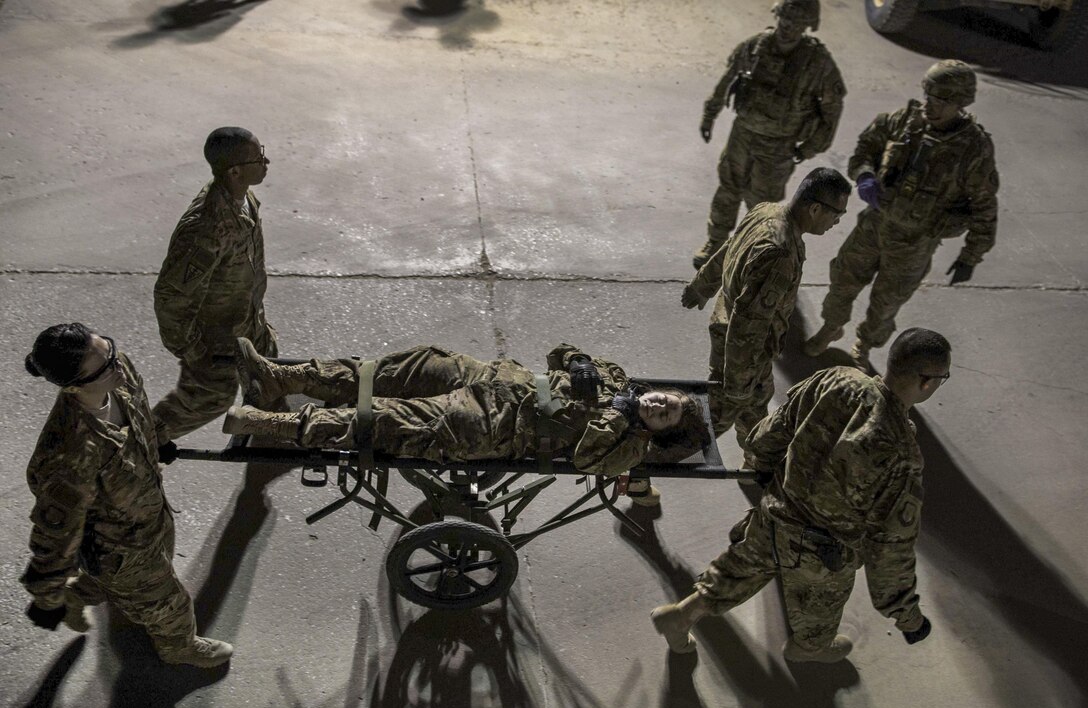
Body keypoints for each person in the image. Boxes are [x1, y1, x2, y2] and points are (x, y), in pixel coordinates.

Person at [650, 327, 948, 662]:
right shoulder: (902, 457)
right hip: (820, 554)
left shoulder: (836, 380)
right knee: (818, 609)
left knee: (741, 568)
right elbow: (891, 549)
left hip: (775, 513)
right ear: (927, 382)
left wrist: (761, 467)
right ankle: (809, 648)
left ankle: (681, 615)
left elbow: (773, 430)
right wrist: (906, 616)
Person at [20, 323, 232, 667]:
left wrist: (159, 438)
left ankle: (80, 594)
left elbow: (142, 413)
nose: (118, 364)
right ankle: (180, 646)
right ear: (74, 386)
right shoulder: (69, 454)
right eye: (104, 366)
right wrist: (46, 599)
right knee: (169, 603)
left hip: (150, 510)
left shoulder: (120, 375)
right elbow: (55, 536)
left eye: (109, 349)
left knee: (136, 573)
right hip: (118, 548)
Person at [221, 339, 711, 482]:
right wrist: (578, 360)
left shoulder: (628, 446)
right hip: (495, 378)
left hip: (493, 424)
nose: (658, 402)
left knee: (390, 419)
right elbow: (559, 354)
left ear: (657, 432)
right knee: (411, 365)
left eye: (664, 413)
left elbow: (587, 459)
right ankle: (282, 378)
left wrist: (622, 416)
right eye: (666, 398)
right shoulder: (621, 380)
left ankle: (275, 424)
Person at [804, 60, 999, 369]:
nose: (931, 106)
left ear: (961, 103)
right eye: (928, 95)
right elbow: (866, 146)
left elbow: (985, 206)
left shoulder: (974, 149)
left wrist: (970, 256)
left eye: (943, 100)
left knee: (885, 305)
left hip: (915, 242)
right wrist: (865, 174)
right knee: (843, 280)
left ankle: (864, 344)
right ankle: (831, 327)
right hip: (874, 226)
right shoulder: (905, 122)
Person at [681, 167, 851, 459]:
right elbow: (749, 322)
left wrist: (702, 285)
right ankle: (652, 458)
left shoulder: (766, 211)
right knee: (719, 413)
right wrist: (737, 382)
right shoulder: (780, 252)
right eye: (838, 214)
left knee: (757, 401)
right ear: (814, 208)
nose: (837, 222)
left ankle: (756, 457)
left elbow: (729, 247)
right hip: (741, 351)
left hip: (735, 336)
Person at [693, 0, 846, 270]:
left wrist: (809, 148)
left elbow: (832, 111)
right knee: (728, 189)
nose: (788, 27)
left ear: (807, 26)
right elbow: (727, 79)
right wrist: (710, 113)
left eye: (796, 23)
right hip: (742, 134)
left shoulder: (819, 63)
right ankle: (715, 242)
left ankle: (755, 252)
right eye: (785, 19)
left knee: (763, 205)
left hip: (779, 145)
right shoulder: (756, 46)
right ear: (777, 16)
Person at [152, 126, 280, 443]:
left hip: (250, 325)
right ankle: (134, 445)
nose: (267, 161)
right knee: (207, 401)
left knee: (272, 380)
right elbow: (172, 298)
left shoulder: (242, 196)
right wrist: (194, 350)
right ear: (235, 171)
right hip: (217, 343)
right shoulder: (204, 228)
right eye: (258, 158)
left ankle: (263, 432)